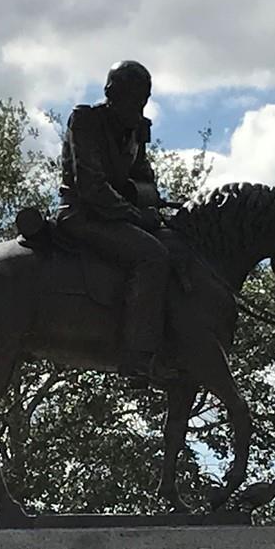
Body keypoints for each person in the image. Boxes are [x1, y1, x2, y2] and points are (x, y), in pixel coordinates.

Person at [56, 60, 174, 388]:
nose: (138, 107)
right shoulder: (86, 120)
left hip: (118, 216)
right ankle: (137, 356)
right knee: (152, 256)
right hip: (83, 215)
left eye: (143, 100)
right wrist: (136, 215)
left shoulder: (136, 129)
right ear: (111, 93)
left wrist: (152, 202)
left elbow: (142, 177)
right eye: (132, 98)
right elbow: (91, 185)